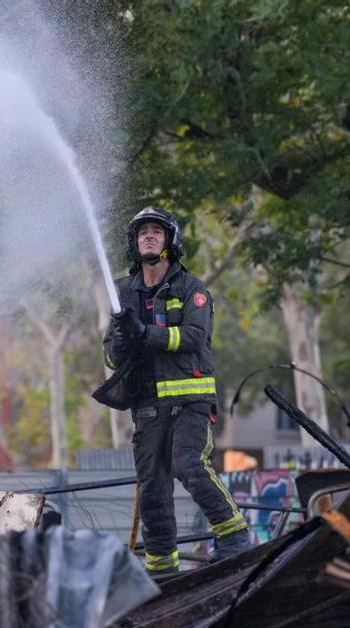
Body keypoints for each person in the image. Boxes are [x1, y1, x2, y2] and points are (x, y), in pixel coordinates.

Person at [99, 206, 251, 575]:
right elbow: (111, 357)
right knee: (152, 487)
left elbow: (194, 337)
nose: (149, 236)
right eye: (142, 232)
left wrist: (145, 333)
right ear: (135, 244)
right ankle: (162, 568)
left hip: (190, 402)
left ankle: (234, 536)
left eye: (156, 231)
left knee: (189, 464)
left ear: (170, 241)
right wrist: (122, 341)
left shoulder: (192, 289)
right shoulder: (123, 292)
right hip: (148, 407)